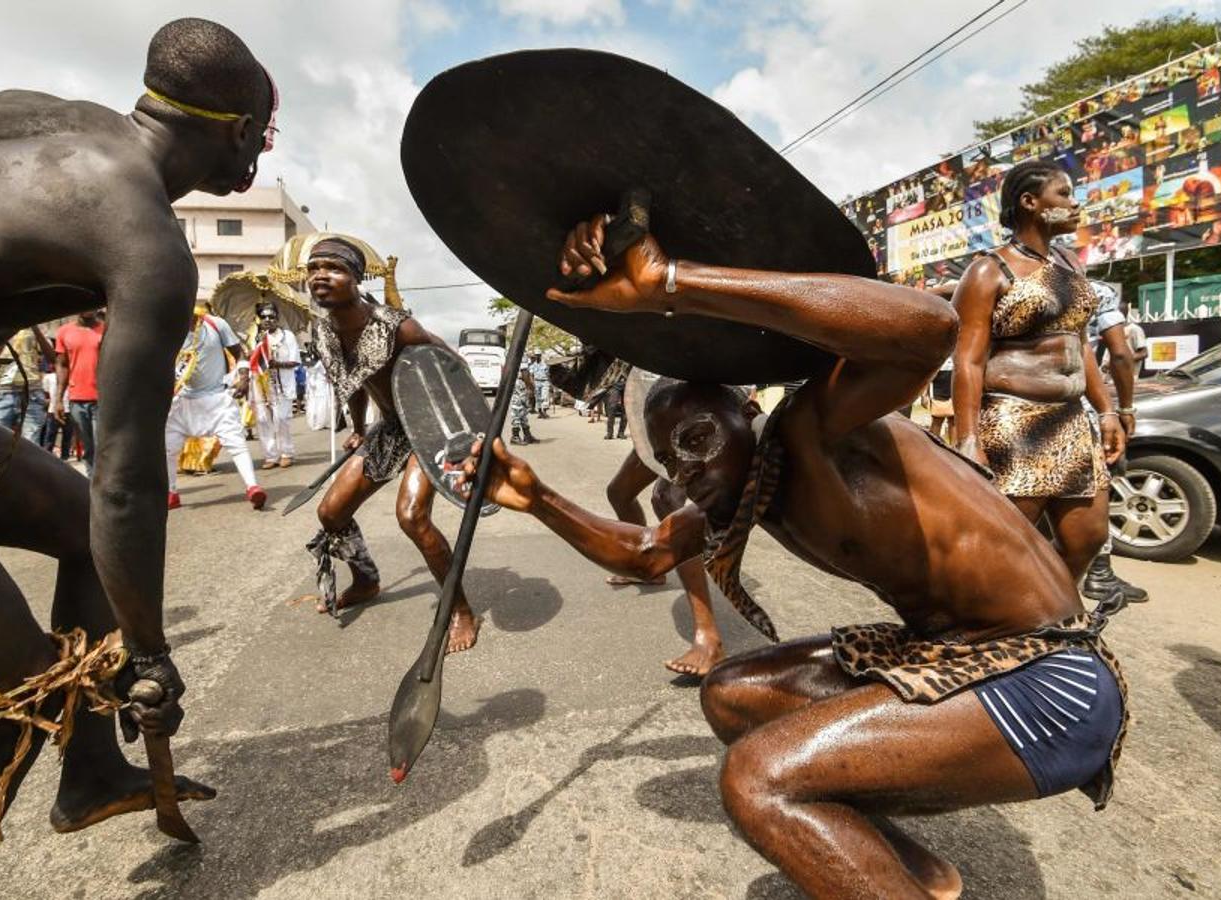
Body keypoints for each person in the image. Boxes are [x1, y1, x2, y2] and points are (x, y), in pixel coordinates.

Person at [459, 212, 1127, 899]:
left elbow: (928, 329)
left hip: (1051, 683)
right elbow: (647, 553)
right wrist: (536, 498)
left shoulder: (819, 428)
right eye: (669, 462)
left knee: (759, 779)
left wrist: (674, 283)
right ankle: (893, 873)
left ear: (744, 412)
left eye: (694, 439)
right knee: (732, 695)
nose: (686, 472)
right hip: (949, 657)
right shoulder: (746, 484)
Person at [0, 17, 272, 890]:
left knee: (73, 524)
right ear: (238, 133)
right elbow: (126, 479)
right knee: (10, 698)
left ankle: (91, 776)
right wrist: (149, 651)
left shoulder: (44, 113)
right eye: (261, 134)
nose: (257, 153)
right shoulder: (146, 238)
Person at [300, 237, 480, 652]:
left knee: (412, 517)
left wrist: (469, 431)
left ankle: (460, 609)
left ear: (357, 279)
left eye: (334, 268)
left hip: (432, 428)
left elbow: (457, 366)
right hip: (392, 427)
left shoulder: (398, 326)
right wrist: (361, 427)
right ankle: (366, 579)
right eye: (313, 269)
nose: (320, 277)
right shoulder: (326, 330)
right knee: (331, 512)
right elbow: (354, 378)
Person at [953, 160, 1126, 583]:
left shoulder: (1071, 264)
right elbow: (968, 360)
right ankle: (991, 624)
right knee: (1005, 545)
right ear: (1030, 203)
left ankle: (1048, 617)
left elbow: (1080, 342)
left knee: (1087, 537)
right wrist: (968, 440)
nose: (1074, 203)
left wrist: (1106, 410)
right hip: (1013, 424)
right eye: (1063, 194)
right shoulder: (988, 270)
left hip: (1070, 420)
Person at [603, 449, 726, 676]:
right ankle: (648, 570)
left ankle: (709, 638)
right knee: (619, 492)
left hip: (688, 421)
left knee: (666, 498)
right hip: (654, 424)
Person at [1082, 282, 1147, 606]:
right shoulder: (1094, 291)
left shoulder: (1007, 279)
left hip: (1016, 405)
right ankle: (1099, 573)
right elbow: (1120, 353)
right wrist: (1123, 408)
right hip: (1082, 406)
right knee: (1096, 488)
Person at [165, 306, 267, 510]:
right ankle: (171, 493)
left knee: (237, 443)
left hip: (217, 399)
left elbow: (240, 354)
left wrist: (244, 379)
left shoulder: (215, 324)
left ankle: (253, 487)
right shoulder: (168, 328)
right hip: (183, 402)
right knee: (167, 447)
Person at [53, 310, 106, 476]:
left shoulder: (106, 330)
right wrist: (59, 400)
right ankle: (92, 488)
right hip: (77, 400)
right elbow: (62, 365)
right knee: (88, 449)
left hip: (103, 400)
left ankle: (104, 488)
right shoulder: (64, 332)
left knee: (102, 448)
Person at [248, 301, 300, 468]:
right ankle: (270, 456)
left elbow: (295, 362)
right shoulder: (255, 337)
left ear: (277, 318)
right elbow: (250, 360)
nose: (268, 320)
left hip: (281, 385)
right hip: (261, 385)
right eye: (264, 317)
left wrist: (277, 364)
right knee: (263, 420)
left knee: (282, 418)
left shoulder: (287, 336)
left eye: (272, 316)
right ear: (259, 319)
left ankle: (286, 453)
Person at [0, 326, 54, 445]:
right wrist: (8, 332)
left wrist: (35, 328)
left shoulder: (39, 326)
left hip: (31, 393)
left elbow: (51, 358)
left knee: (31, 444)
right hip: (1, 393)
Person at [508, 359, 539, 446]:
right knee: (517, 413)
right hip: (518, 385)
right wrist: (529, 386)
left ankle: (527, 436)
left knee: (523, 415)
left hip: (519, 383)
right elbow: (525, 373)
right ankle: (515, 437)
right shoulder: (521, 362)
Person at [602, 368, 628, 440]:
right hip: (615, 385)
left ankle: (621, 433)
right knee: (612, 409)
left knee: (625, 411)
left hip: (627, 385)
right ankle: (609, 433)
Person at [529, 351, 552, 418]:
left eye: (538, 355)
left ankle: (544, 411)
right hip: (536, 382)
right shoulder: (532, 365)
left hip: (545, 381)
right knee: (538, 398)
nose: (537, 356)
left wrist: (550, 384)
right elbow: (531, 375)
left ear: (540, 356)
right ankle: (540, 412)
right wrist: (532, 383)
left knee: (545, 397)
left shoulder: (545, 364)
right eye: (536, 355)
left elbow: (548, 374)